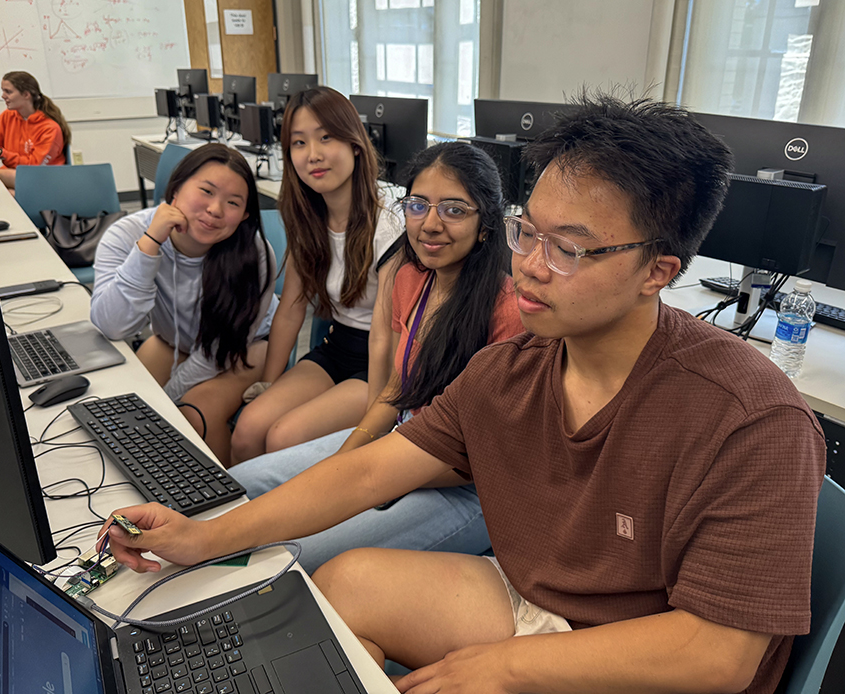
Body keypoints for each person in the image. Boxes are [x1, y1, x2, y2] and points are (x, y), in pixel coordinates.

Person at [102, 94, 827, 694]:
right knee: (342, 582)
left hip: (653, 659)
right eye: (526, 233)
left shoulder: (750, 416)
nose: (532, 268)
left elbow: (720, 656)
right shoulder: (515, 368)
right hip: (542, 602)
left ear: (657, 271)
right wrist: (202, 538)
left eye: (568, 249)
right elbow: (368, 470)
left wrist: (507, 666)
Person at [227, 141, 525, 572]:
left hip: (466, 486)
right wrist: (349, 460)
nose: (430, 224)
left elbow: (482, 460)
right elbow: (394, 390)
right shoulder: (411, 279)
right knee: (240, 485)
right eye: (418, 205)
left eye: (455, 210)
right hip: (400, 444)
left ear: (486, 225)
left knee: (289, 555)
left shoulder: (508, 313)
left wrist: (369, 478)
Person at [229, 86, 402, 464]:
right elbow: (290, 309)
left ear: (355, 143)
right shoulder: (308, 217)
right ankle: (235, 521)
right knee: (248, 428)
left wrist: (378, 416)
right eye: (299, 143)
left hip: (382, 361)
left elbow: (384, 332)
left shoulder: (388, 216)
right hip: (337, 347)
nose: (314, 155)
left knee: (282, 438)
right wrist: (271, 383)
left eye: (327, 137)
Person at [91, 144, 277, 467]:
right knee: (119, 408)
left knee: (192, 415)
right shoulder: (128, 235)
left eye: (233, 203)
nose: (216, 209)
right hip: (173, 340)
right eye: (206, 191)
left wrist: (165, 400)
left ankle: (220, 504)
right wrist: (149, 246)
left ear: (245, 215)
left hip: (246, 346)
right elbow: (111, 325)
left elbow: (216, 352)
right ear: (175, 189)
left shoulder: (253, 254)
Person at [0, 71, 70, 190]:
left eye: (8, 92)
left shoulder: (49, 128)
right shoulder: (8, 116)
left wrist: (0, 153)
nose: (3, 96)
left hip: (44, 179)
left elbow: (34, 166)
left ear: (26, 95)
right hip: (18, 175)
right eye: (3, 90)